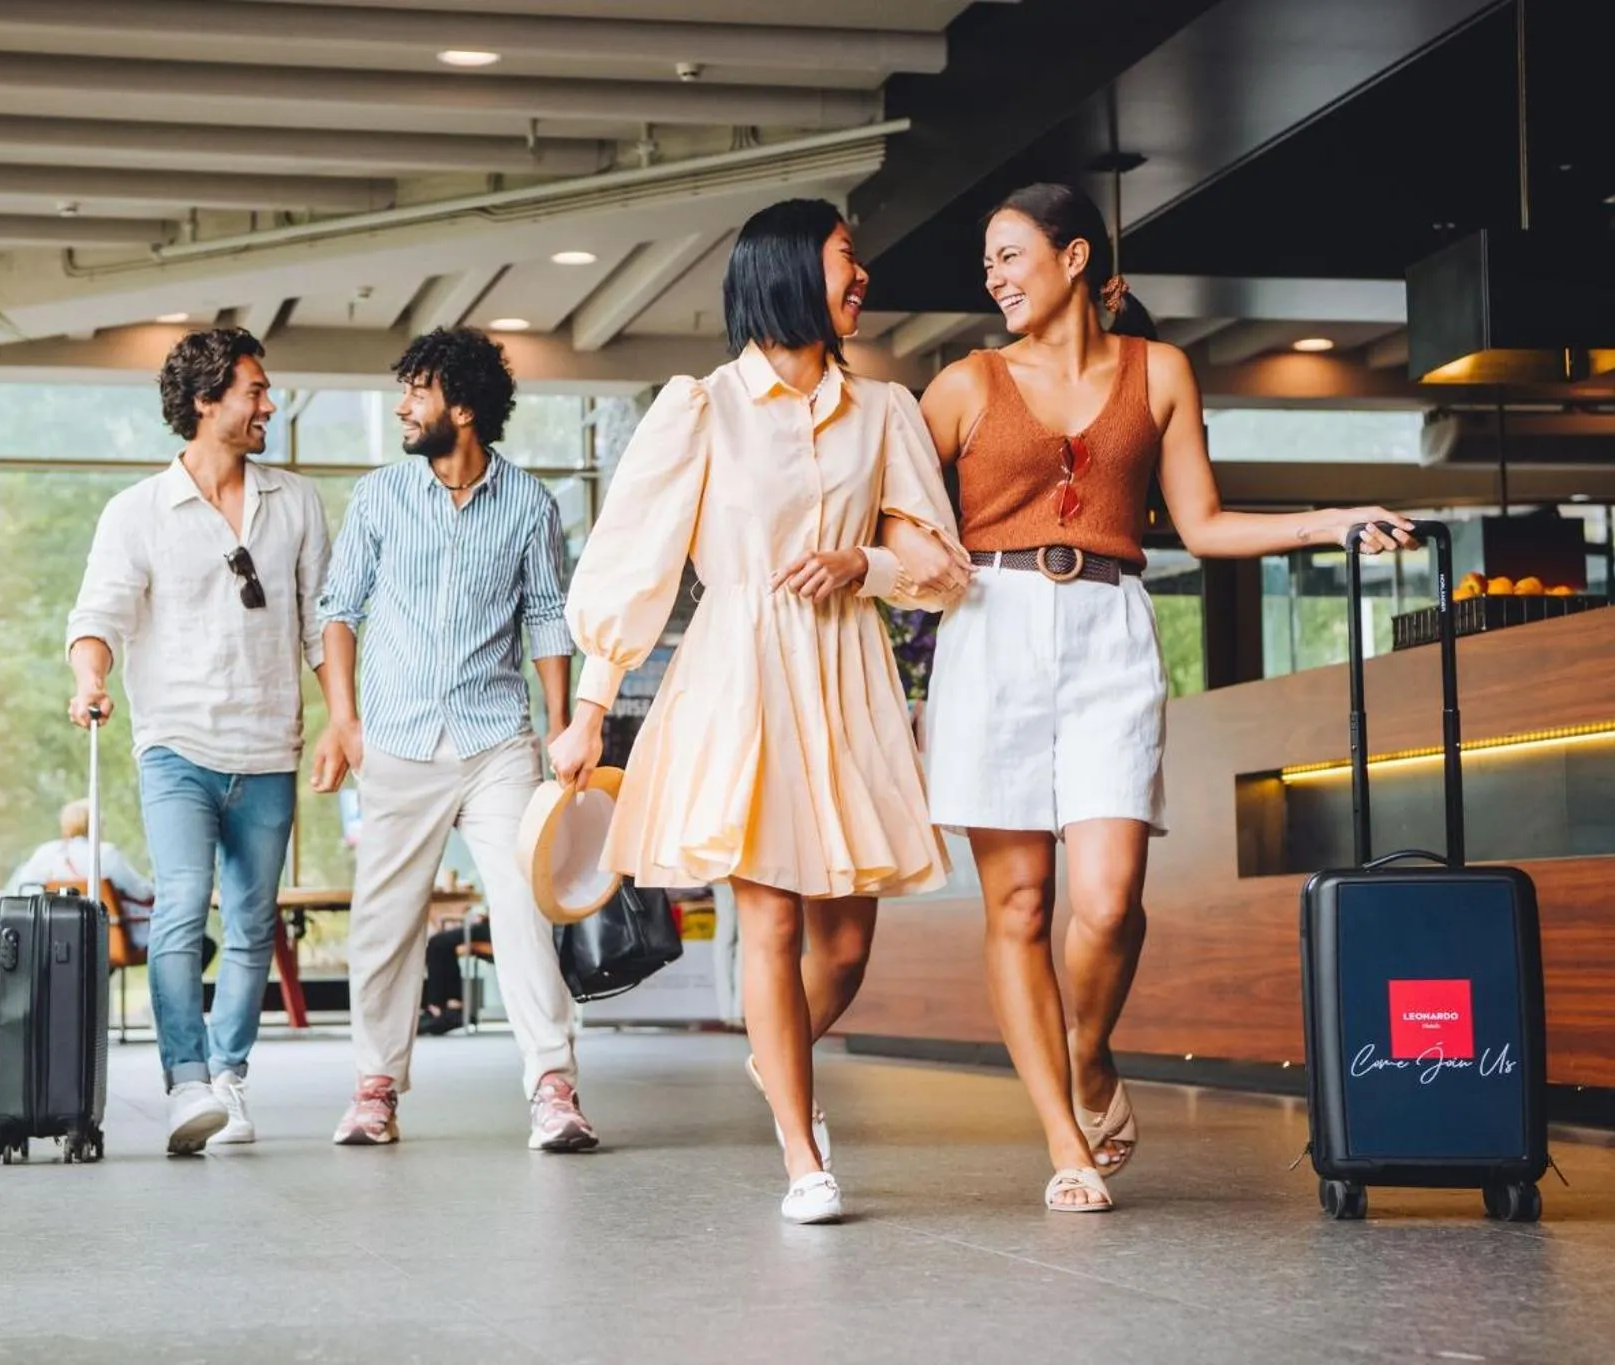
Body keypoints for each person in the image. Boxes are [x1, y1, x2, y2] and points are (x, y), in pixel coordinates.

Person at [906, 182, 1414, 1211]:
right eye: (988, 262)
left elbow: (1205, 523)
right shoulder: (961, 383)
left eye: (1011, 255)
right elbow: (901, 518)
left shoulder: (1160, 372)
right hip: (989, 632)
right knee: (1018, 904)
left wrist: (1327, 522)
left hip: (1108, 626)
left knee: (1106, 899)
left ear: (1076, 258)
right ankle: (1064, 1142)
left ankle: (1085, 1054)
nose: (993, 276)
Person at [547, 198, 973, 1223]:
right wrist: (591, 708)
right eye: (843, 259)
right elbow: (633, 561)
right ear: (786, 271)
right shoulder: (700, 407)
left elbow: (940, 568)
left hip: (846, 681)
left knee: (846, 948)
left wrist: (860, 562)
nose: (860, 276)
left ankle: (773, 1060)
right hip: (737, 679)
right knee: (770, 923)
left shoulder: (885, 411)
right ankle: (800, 1155)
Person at [312, 326, 597, 1153]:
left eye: (418, 391)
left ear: (463, 408)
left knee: (520, 907)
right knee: (383, 921)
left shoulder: (530, 505)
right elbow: (339, 610)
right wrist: (344, 721)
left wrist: (560, 725)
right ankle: (375, 1087)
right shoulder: (378, 497)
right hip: (396, 741)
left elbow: (547, 616)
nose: (403, 406)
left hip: (495, 741)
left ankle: (553, 1085)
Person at [66, 326, 335, 1156]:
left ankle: (230, 1077)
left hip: (270, 748)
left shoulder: (295, 502)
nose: (269, 404)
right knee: (183, 904)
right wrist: (90, 680)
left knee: (253, 921)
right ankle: (185, 1080)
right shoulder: (138, 512)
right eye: (254, 391)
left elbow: (324, 625)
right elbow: (97, 616)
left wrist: (343, 723)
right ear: (204, 401)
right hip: (176, 744)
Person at [3, 799, 157, 951]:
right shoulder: (105, 853)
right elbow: (141, 892)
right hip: (108, 939)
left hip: (55, 939)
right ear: (95, 824)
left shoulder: (46, 852)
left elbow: (24, 889)